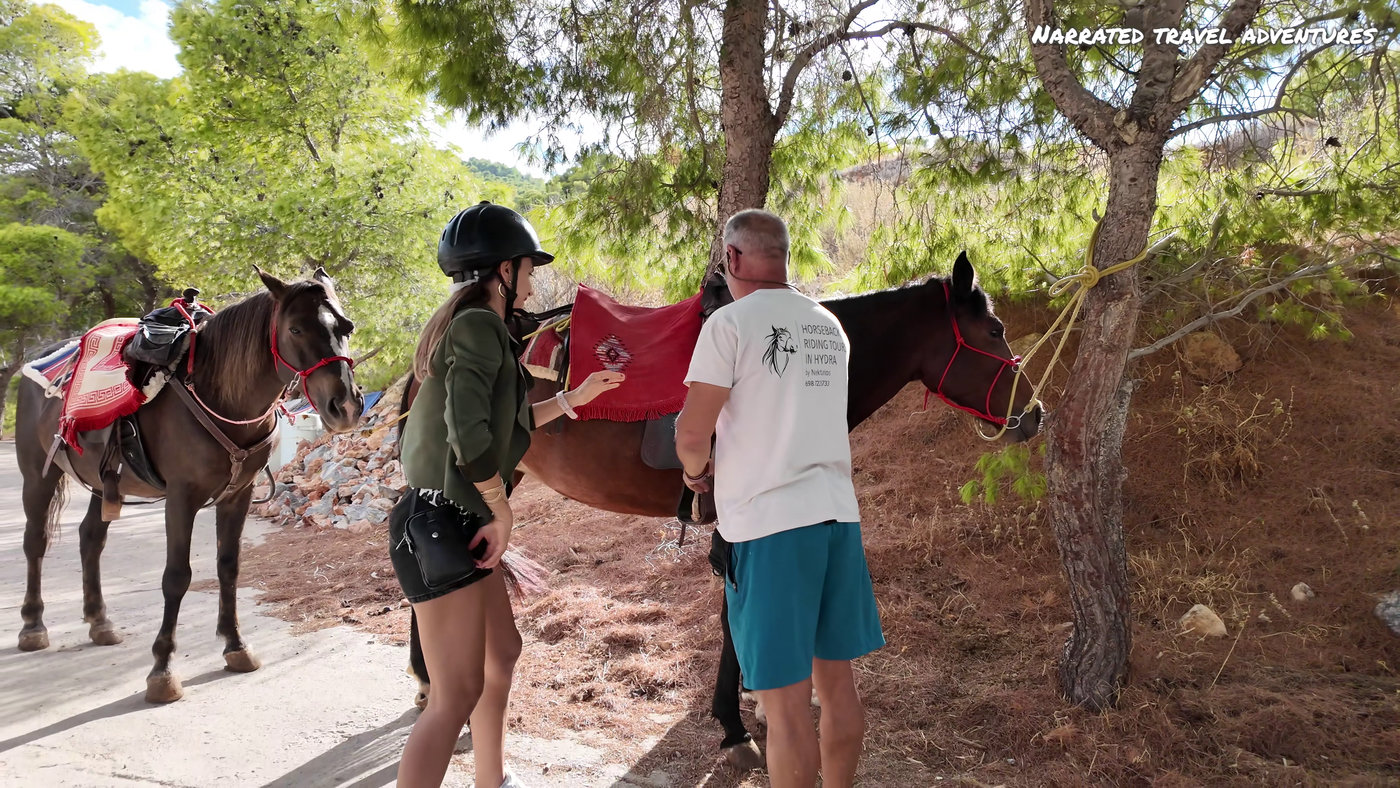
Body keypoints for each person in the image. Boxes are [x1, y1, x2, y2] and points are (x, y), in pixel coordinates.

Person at [393, 201, 624, 788]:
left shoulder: (480, 327)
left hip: (450, 519)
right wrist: (501, 507)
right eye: (528, 267)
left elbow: (501, 423)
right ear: (502, 270)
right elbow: (467, 431)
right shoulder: (478, 327)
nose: (533, 280)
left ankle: (490, 780)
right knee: (456, 693)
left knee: (503, 653)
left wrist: (578, 397)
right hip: (441, 522)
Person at [676, 209, 884, 788]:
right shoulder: (828, 325)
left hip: (769, 529)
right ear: (784, 256)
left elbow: (692, 435)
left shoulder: (729, 324)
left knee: (785, 706)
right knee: (837, 688)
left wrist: (697, 473)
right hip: (837, 518)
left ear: (733, 259)